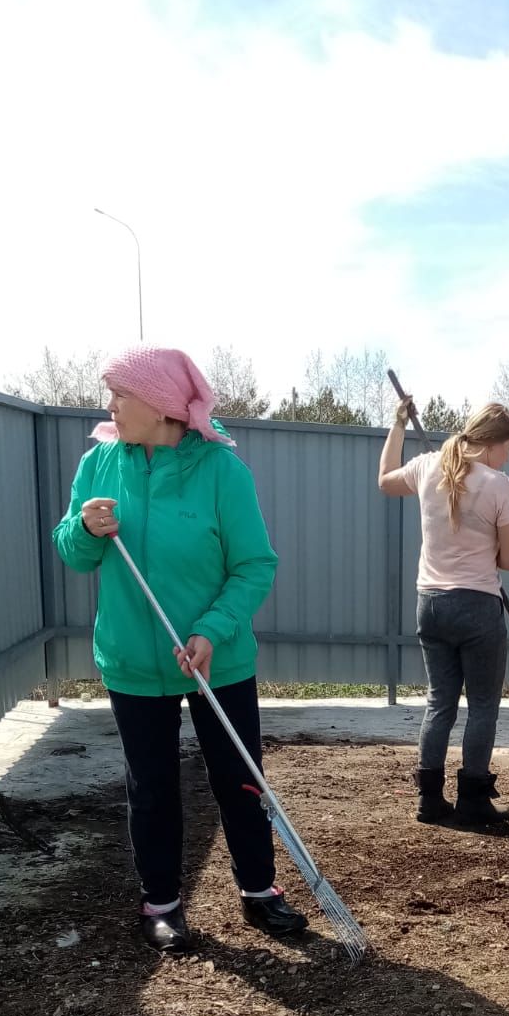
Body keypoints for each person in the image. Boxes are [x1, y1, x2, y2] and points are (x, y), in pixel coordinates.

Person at [52, 346, 306, 953]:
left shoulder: (221, 471)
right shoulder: (98, 464)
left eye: (120, 394)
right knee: (152, 784)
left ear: (162, 405)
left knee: (239, 776)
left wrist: (211, 630)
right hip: (133, 662)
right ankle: (161, 903)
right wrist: (83, 528)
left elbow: (253, 565)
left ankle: (259, 890)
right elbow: (72, 551)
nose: (108, 405)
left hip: (218, 660)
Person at [378, 398, 509, 825]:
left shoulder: (426, 467)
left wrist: (398, 424)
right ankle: (474, 799)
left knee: (440, 702)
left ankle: (429, 799)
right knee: (481, 705)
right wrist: (484, 544)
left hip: (431, 604)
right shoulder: (498, 485)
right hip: (477, 605)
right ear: (494, 443)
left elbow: (385, 480)